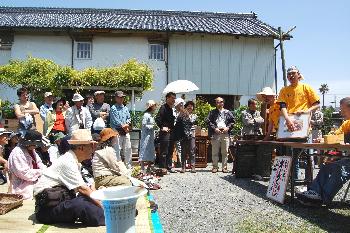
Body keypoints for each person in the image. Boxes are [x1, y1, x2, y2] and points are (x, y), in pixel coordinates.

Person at [33, 129, 104, 226]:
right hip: (46, 210)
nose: (93, 149)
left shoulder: (74, 161)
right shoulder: (67, 161)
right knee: (80, 204)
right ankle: (108, 216)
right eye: (91, 146)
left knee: (85, 200)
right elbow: (83, 189)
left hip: (59, 202)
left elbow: (85, 187)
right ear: (81, 148)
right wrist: (104, 206)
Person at [297, 97, 350, 206]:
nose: (341, 113)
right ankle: (314, 192)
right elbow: (335, 135)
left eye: (343, 110)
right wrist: (322, 139)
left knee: (340, 169)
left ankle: (323, 198)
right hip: (348, 158)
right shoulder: (347, 123)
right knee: (326, 166)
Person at [278, 66, 320, 178]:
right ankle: (292, 181)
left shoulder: (306, 87)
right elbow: (282, 106)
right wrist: (287, 119)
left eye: (293, 73)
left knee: (308, 155)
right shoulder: (284, 90)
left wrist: (306, 111)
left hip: (304, 126)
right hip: (289, 126)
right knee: (290, 156)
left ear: (298, 74)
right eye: (289, 74)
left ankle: (310, 184)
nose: (291, 76)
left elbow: (316, 104)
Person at [8, 130, 46, 199]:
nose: (36, 146)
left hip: (34, 178)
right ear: (28, 143)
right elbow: (24, 173)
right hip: (22, 184)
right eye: (35, 144)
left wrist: (46, 171)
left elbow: (39, 163)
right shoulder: (18, 153)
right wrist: (41, 172)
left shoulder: (32, 150)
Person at [207, 97, 235, 173]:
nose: (220, 103)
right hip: (216, 133)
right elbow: (208, 121)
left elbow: (232, 121)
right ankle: (215, 167)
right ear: (215, 103)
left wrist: (228, 128)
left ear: (223, 103)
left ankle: (224, 167)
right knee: (215, 151)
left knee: (225, 151)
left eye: (221, 102)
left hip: (225, 133)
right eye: (218, 102)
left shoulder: (228, 112)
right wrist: (214, 128)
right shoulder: (212, 112)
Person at [110, 91, 132, 169]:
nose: (121, 98)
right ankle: (118, 168)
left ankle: (129, 168)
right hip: (117, 131)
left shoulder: (125, 108)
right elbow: (115, 121)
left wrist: (127, 124)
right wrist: (125, 126)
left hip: (125, 131)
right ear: (116, 98)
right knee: (117, 150)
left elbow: (129, 118)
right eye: (119, 97)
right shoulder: (113, 108)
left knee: (128, 149)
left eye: (122, 97)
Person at [155, 92, 177, 173]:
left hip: (172, 132)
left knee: (170, 150)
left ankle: (169, 166)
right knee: (164, 150)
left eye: (174, 98)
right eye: (172, 98)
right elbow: (157, 119)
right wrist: (162, 127)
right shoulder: (163, 108)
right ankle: (162, 168)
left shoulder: (172, 109)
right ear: (167, 98)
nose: (174, 100)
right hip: (165, 133)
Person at [174, 100, 197, 173]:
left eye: (191, 106)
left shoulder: (194, 115)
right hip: (183, 134)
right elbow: (178, 122)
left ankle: (192, 166)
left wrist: (186, 114)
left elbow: (191, 122)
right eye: (188, 106)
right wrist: (182, 113)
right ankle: (183, 167)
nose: (190, 107)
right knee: (183, 151)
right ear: (186, 107)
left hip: (191, 135)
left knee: (192, 151)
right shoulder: (181, 114)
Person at [139, 100, 157, 174]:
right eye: (154, 106)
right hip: (146, 135)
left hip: (150, 135)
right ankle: (142, 167)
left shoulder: (150, 115)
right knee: (144, 148)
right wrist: (152, 126)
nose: (155, 107)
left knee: (150, 150)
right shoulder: (146, 115)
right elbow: (143, 125)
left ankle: (149, 167)